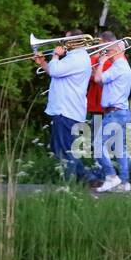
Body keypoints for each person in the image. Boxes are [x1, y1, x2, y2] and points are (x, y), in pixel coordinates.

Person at [33, 31, 95, 183]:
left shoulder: (77, 58)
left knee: (66, 151)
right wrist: (43, 63)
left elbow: (56, 70)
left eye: (65, 39)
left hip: (67, 110)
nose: (62, 42)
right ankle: (90, 178)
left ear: (73, 42)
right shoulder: (74, 58)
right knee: (57, 147)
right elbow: (56, 73)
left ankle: (69, 185)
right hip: (64, 109)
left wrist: (55, 55)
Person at [93, 37, 131, 193]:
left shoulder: (119, 66)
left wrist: (101, 62)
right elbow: (103, 82)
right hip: (121, 112)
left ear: (117, 50)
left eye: (108, 49)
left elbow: (97, 79)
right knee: (120, 149)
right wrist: (98, 68)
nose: (106, 52)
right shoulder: (122, 66)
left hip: (114, 113)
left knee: (97, 145)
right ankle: (124, 182)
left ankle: (111, 176)